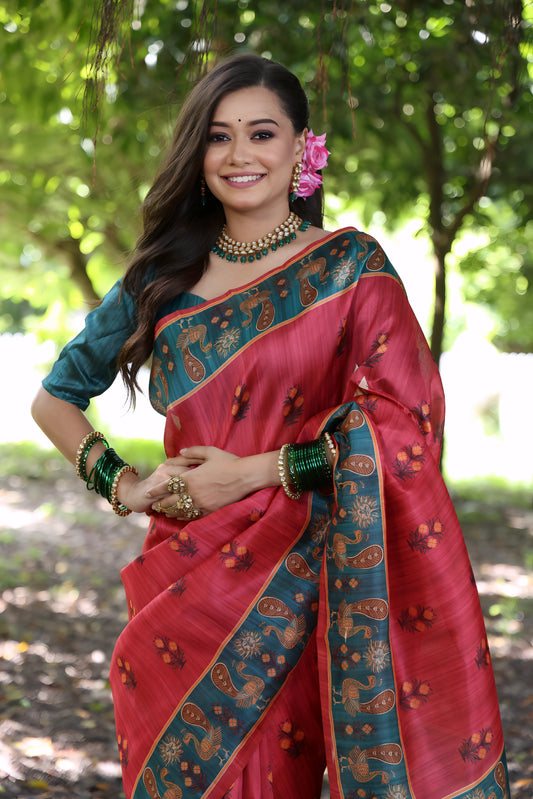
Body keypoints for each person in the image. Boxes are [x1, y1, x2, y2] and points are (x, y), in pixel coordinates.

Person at [32, 54, 511, 799]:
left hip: (297, 581)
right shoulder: (161, 277)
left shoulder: (350, 269)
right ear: (198, 155)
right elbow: (55, 398)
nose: (238, 155)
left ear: (302, 150)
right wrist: (123, 486)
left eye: (261, 133)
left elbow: (404, 426)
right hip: (180, 579)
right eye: (218, 137)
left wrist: (258, 471)